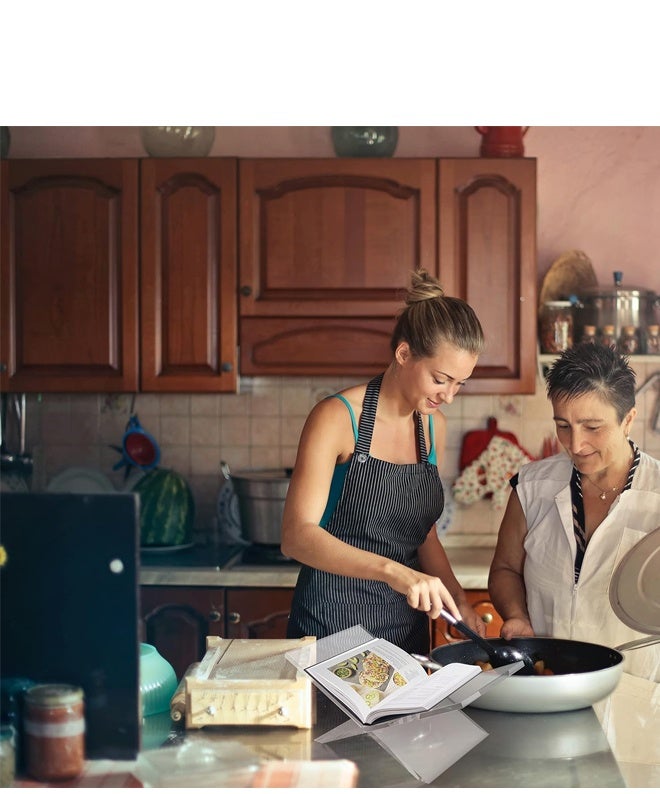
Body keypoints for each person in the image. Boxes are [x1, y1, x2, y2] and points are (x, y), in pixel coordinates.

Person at [281, 268, 486, 656]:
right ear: (404, 354)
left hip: (406, 634)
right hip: (331, 628)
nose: (449, 396)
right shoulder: (337, 417)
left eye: (460, 383)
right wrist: (394, 572)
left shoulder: (433, 426)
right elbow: (296, 536)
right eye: (441, 379)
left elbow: (423, 535)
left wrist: (459, 600)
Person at [488, 342, 660, 681]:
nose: (575, 444)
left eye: (592, 427)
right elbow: (505, 569)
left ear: (628, 420)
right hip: (547, 683)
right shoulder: (531, 486)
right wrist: (516, 615)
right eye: (563, 425)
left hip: (635, 688)